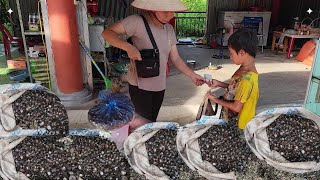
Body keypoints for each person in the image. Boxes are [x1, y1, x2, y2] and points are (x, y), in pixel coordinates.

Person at [102, 0, 205, 122]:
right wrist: (128, 47)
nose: (169, 15)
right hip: (140, 86)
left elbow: (175, 58)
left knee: (151, 121)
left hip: (160, 85)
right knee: (142, 124)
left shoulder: (169, 29)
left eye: (172, 11)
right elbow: (107, 33)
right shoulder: (137, 21)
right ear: (153, 9)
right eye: (165, 11)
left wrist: (192, 75)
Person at [206, 28, 259, 129]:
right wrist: (219, 84)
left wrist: (215, 99)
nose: (230, 57)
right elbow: (236, 89)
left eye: (231, 53)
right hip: (230, 119)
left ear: (242, 53)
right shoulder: (244, 69)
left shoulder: (247, 80)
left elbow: (236, 107)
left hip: (239, 125)